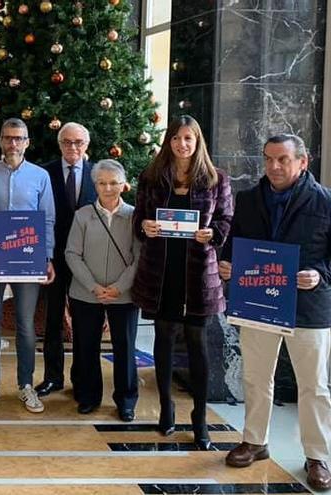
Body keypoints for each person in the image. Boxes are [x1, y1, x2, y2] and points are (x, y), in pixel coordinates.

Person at [220, 134, 330, 492]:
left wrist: (320, 274)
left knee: (314, 385)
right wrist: (229, 264)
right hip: (259, 303)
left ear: (303, 161)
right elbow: (236, 242)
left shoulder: (326, 201)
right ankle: (255, 441)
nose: (274, 167)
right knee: (255, 377)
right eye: (268, 159)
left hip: (309, 308)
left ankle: (317, 456)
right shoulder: (249, 199)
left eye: (282, 159)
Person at [132, 115, 232, 450]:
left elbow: (226, 219)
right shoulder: (151, 176)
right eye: (176, 137)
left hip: (198, 277)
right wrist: (145, 226)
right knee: (162, 340)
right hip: (161, 274)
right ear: (168, 141)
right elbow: (138, 219)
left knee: (197, 345)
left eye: (188, 138)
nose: (182, 144)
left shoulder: (216, 179)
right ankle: (166, 408)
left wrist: (213, 234)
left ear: (197, 140)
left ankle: (200, 417)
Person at [0, 118, 55, 414]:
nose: (13, 143)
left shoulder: (40, 176)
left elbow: (47, 218)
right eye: (8, 138)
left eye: (18, 138)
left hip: (27, 260)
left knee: (25, 323)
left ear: (27, 142)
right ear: (0, 140)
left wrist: (47, 257)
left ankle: (26, 384)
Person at [65, 159, 140, 421]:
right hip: (86, 294)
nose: (108, 188)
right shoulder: (82, 215)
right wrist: (94, 286)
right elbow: (72, 254)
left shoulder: (134, 216)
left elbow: (139, 258)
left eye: (114, 183)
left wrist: (119, 287)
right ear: (94, 185)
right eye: (102, 183)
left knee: (125, 348)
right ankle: (88, 396)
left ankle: (126, 400)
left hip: (125, 295)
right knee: (86, 346)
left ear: (123, 185)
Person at [38, 122, 97, 397]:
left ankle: (80, 378)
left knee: (83, 319)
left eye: (78, 142)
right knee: (52, 319)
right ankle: (53, 377)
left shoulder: (98, 174)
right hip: (54, 257)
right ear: (59, 144)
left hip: (87, 259)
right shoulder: (45, 173)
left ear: (86, 145)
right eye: (67, 142)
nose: (73, 147)